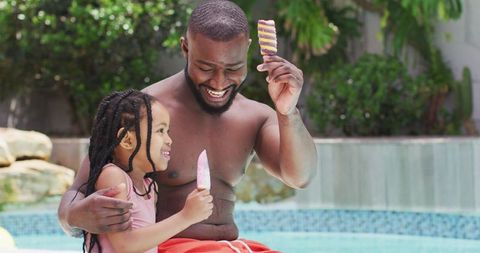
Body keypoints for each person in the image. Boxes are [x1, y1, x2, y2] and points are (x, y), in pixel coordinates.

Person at [58, 0, 318, 252]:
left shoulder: (256, 117)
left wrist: (288, 112)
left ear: (247, 50)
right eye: (205, 67)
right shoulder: (144, 115)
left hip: (230, 246)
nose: (218, 82)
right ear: (185, 49)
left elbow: (300, 177)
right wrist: (76, 215)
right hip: (168, 246)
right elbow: (75, 196)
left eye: (233, 68)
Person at [79, 89, 213, 253]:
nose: (169, 140)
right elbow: (124, 245)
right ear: (127, 140)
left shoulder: (150, 187)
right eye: (160, 131)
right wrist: (186, 216)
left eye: (167, 132)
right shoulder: (113, 177)